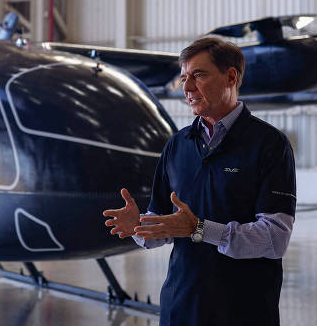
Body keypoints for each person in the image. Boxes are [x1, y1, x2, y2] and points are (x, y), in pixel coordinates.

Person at [103, 37, 296, 326]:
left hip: (244, 311)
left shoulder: (269, 145)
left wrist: (199, 229)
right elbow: (165, 225)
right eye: (184, 78)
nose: (187, 88)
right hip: (180, 307)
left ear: (231, 76)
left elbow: (274, 239)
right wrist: (139, 228)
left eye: (198, 75)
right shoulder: (176, 146)